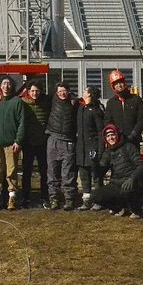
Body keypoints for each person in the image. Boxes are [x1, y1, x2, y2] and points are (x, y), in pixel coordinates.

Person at [0, 76, 25, 210]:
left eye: (8, 84)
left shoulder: (17, 102)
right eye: (3, 84)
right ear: (0, 87)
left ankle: (12, 197)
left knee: (11, 171)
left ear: (12, 86)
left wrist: (18, 140)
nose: (6, 86)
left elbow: (21, 123)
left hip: (11, 144)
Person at [91, 124, 143, 219]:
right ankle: (119, 208)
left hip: (133, 182)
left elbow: (141, 165)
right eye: (107, 136)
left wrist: (132, 179)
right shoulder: (108, 152)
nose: (110, 138)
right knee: (95, 196)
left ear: (117, 135)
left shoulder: (128, 147)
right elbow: (100, 173)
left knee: (127, 191)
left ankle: (136, 210)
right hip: (116, 183)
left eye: (112, 135)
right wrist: (95, 163)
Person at [44, 82, 79, 211]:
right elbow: (35, 96)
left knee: (68, 172)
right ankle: (54, 198)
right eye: (59, 92)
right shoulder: (51, 100)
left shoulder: (75, 103)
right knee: (52, 171)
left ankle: (69, 198)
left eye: (64, 91)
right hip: (53, 138)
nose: (62, 94)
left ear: (68, 91)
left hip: (68, 140)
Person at [75, 86, 105, 211]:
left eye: (85, 91)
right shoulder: (81, 108)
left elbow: (100, 131)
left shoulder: (96, 110)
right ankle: (86, 200)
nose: (82, 93)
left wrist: (99, 149)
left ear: (90, 94)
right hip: (81, 147)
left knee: (96, 176)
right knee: (84, 175)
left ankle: (99, 200)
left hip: (92, 147)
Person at [104, 70, 143, 146]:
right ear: (113, 86)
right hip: (117, 141)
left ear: (125, 83)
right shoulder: (111, 103)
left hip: (133, 140)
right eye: (116, 84)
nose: (119, 85)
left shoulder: (136, 100)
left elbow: (141, 120)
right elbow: (108, 121)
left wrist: (134, 134)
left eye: (121, 83)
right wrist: (114, 135)